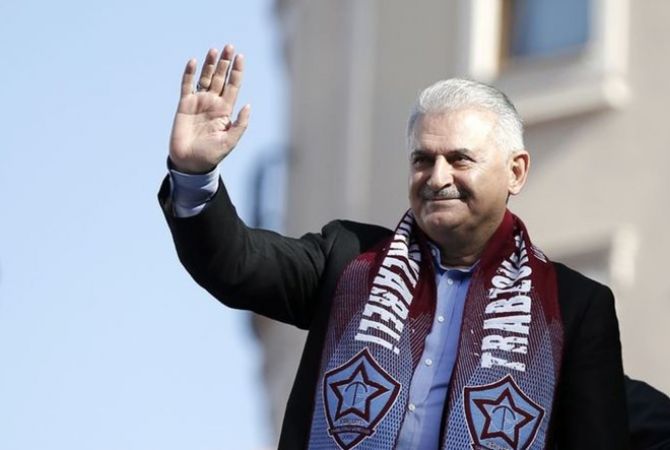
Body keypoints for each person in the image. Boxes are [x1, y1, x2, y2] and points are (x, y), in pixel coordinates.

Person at [158, 45, 629, 449]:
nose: (437, 178)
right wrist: (195, 173)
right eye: (423, 160)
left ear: (516, 171)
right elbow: (235, 264)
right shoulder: (348, 260)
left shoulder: (575, 307)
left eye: (459, 159)